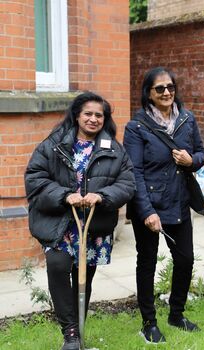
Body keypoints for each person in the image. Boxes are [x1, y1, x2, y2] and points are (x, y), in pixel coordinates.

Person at [24, 92, 135, 350]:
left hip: (93, 227)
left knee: (84, 279)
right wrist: (65, 196)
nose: (93, 119)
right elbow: (35, 178)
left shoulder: (114, 150)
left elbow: (128, 183)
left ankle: (78, 334)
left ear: (104, 119)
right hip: (61, 223)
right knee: (58, 267)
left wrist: (103, 195)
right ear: (77, 115)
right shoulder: (54, 144)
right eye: (88, 113)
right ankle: (70, 333)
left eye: (99, 115)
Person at [123, 67, 204, 344]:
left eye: (170, 87)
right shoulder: (136, 127)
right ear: (148, 93)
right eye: (160, 88)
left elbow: (200, 153)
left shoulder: (187, 119)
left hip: (179, 201)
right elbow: (134, 172)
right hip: (149, 204)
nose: (167, 92)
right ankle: (149, 322)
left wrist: (190, 161)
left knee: (185, 259)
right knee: (146, 262)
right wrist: (146, 211)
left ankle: (176, 313)